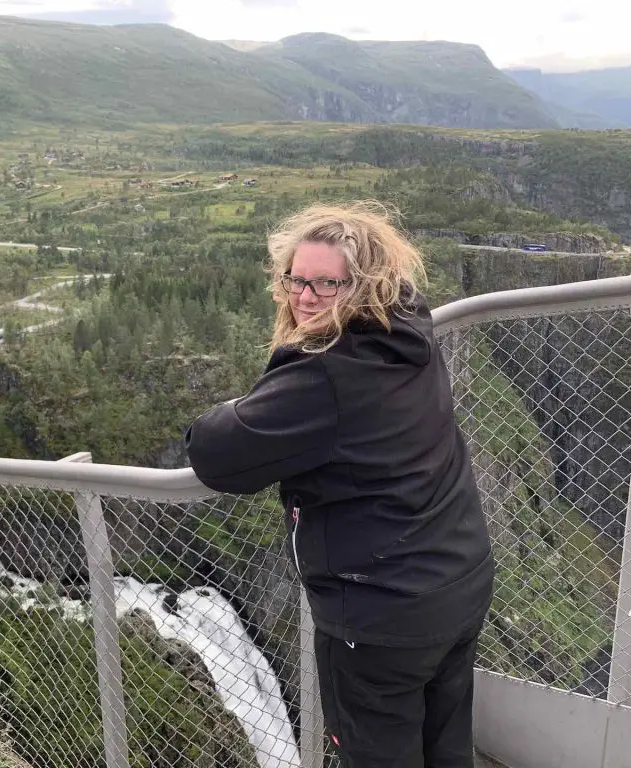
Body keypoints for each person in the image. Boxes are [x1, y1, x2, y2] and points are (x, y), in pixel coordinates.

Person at [184, 201, 495, 768]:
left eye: (327, 284)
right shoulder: (409, 328)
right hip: (458, 581)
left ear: (364, 285)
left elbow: (215, 453)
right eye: (296, 280)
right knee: (446, 746)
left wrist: (241, 404)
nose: (305, 297)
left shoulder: (325, 374)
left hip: (380, 617)